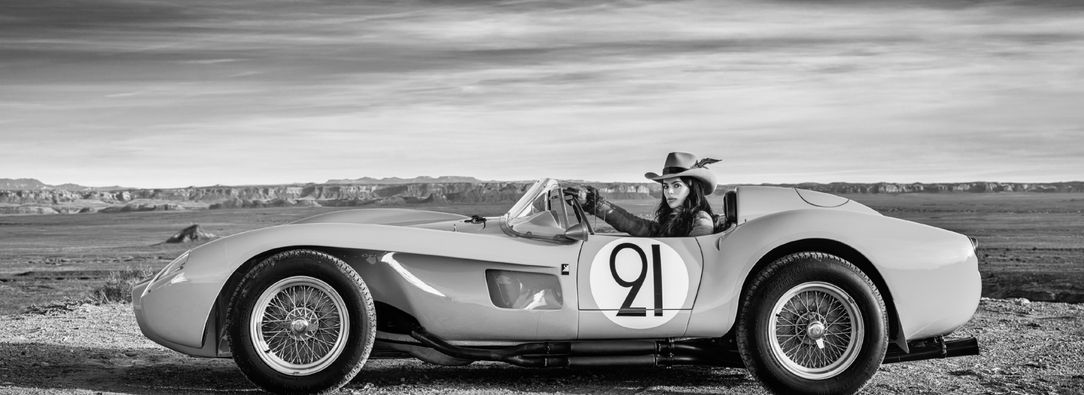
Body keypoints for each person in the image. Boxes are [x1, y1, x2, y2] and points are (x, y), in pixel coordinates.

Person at [568, 152, 720, 237]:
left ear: (692, 189)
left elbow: (696, 257)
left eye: (677, 185)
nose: (669, 192)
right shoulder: (671, 223)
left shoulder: (701, 221)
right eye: (665, 186)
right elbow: (634, 224)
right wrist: (593, 203)